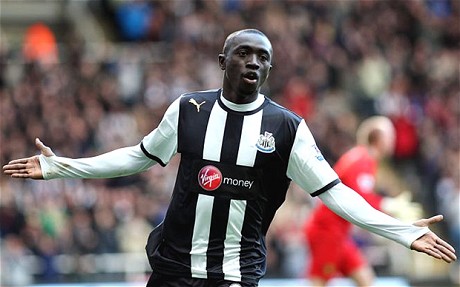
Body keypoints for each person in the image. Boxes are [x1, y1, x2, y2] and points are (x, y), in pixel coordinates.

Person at [3, 29, 456, 287]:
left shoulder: (287, 129)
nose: (253, 62)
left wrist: (400, 232)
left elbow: (336, 195)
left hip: (235, 276)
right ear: (223, 60)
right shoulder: (188, 109)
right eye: (244, 53)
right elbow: (137, 157)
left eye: (263, 57)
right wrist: (61, 165)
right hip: (172, 268)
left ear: (270, 68)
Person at [303, 116, 419, 286]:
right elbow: (361, 200)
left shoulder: (363, 159)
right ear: (378, 139)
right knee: (318, 283)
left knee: (366, 279)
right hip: (327, 232)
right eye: (390, 136)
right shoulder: (361, 160)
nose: (394, 141)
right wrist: (389, 205)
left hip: (339, 233)